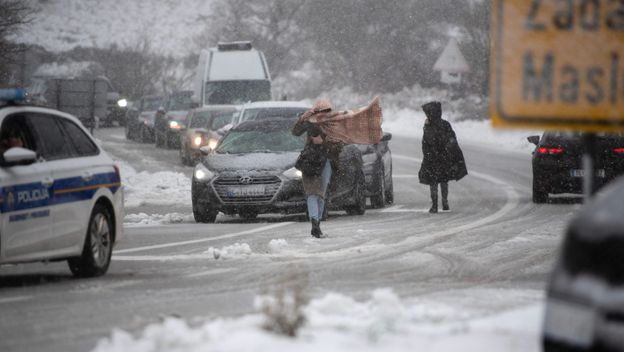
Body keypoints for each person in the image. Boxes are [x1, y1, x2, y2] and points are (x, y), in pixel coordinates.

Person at [292, 99, 342, 238]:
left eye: (326, 111)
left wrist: (324, 141)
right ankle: (315, 223)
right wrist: (302, 118)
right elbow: (295, 132)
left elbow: (339, 145)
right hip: (310, 161)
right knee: (312, 193)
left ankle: (317, 223)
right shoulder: (310, 123)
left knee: (321, 194)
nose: (323, 115)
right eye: (320, 112)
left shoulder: (334, 125)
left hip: (326, 162)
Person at [418, 101, 467, 213]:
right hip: (445, 158)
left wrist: (427, 156)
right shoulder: (445, 124)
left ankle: (434, 205)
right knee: (444, 181)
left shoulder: (428, 127)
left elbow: (425, 144)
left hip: (432, 159)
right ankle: (445, 202)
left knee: (433, 182)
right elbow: (452, 141)